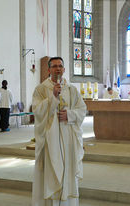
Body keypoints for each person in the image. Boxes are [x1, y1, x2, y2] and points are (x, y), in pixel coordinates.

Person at [32, 57, 86, 206]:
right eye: (54, 66)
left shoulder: (71, 89)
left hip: (68, 138)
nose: (57, 69)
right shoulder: (41, 89)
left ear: (64, 69)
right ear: (48, 70)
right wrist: (53, 97)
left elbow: (82, 110)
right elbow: (36, 111)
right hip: (51, 140)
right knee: (52, 172)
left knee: (67, 171)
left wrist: (69, 115)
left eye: (60, 66)